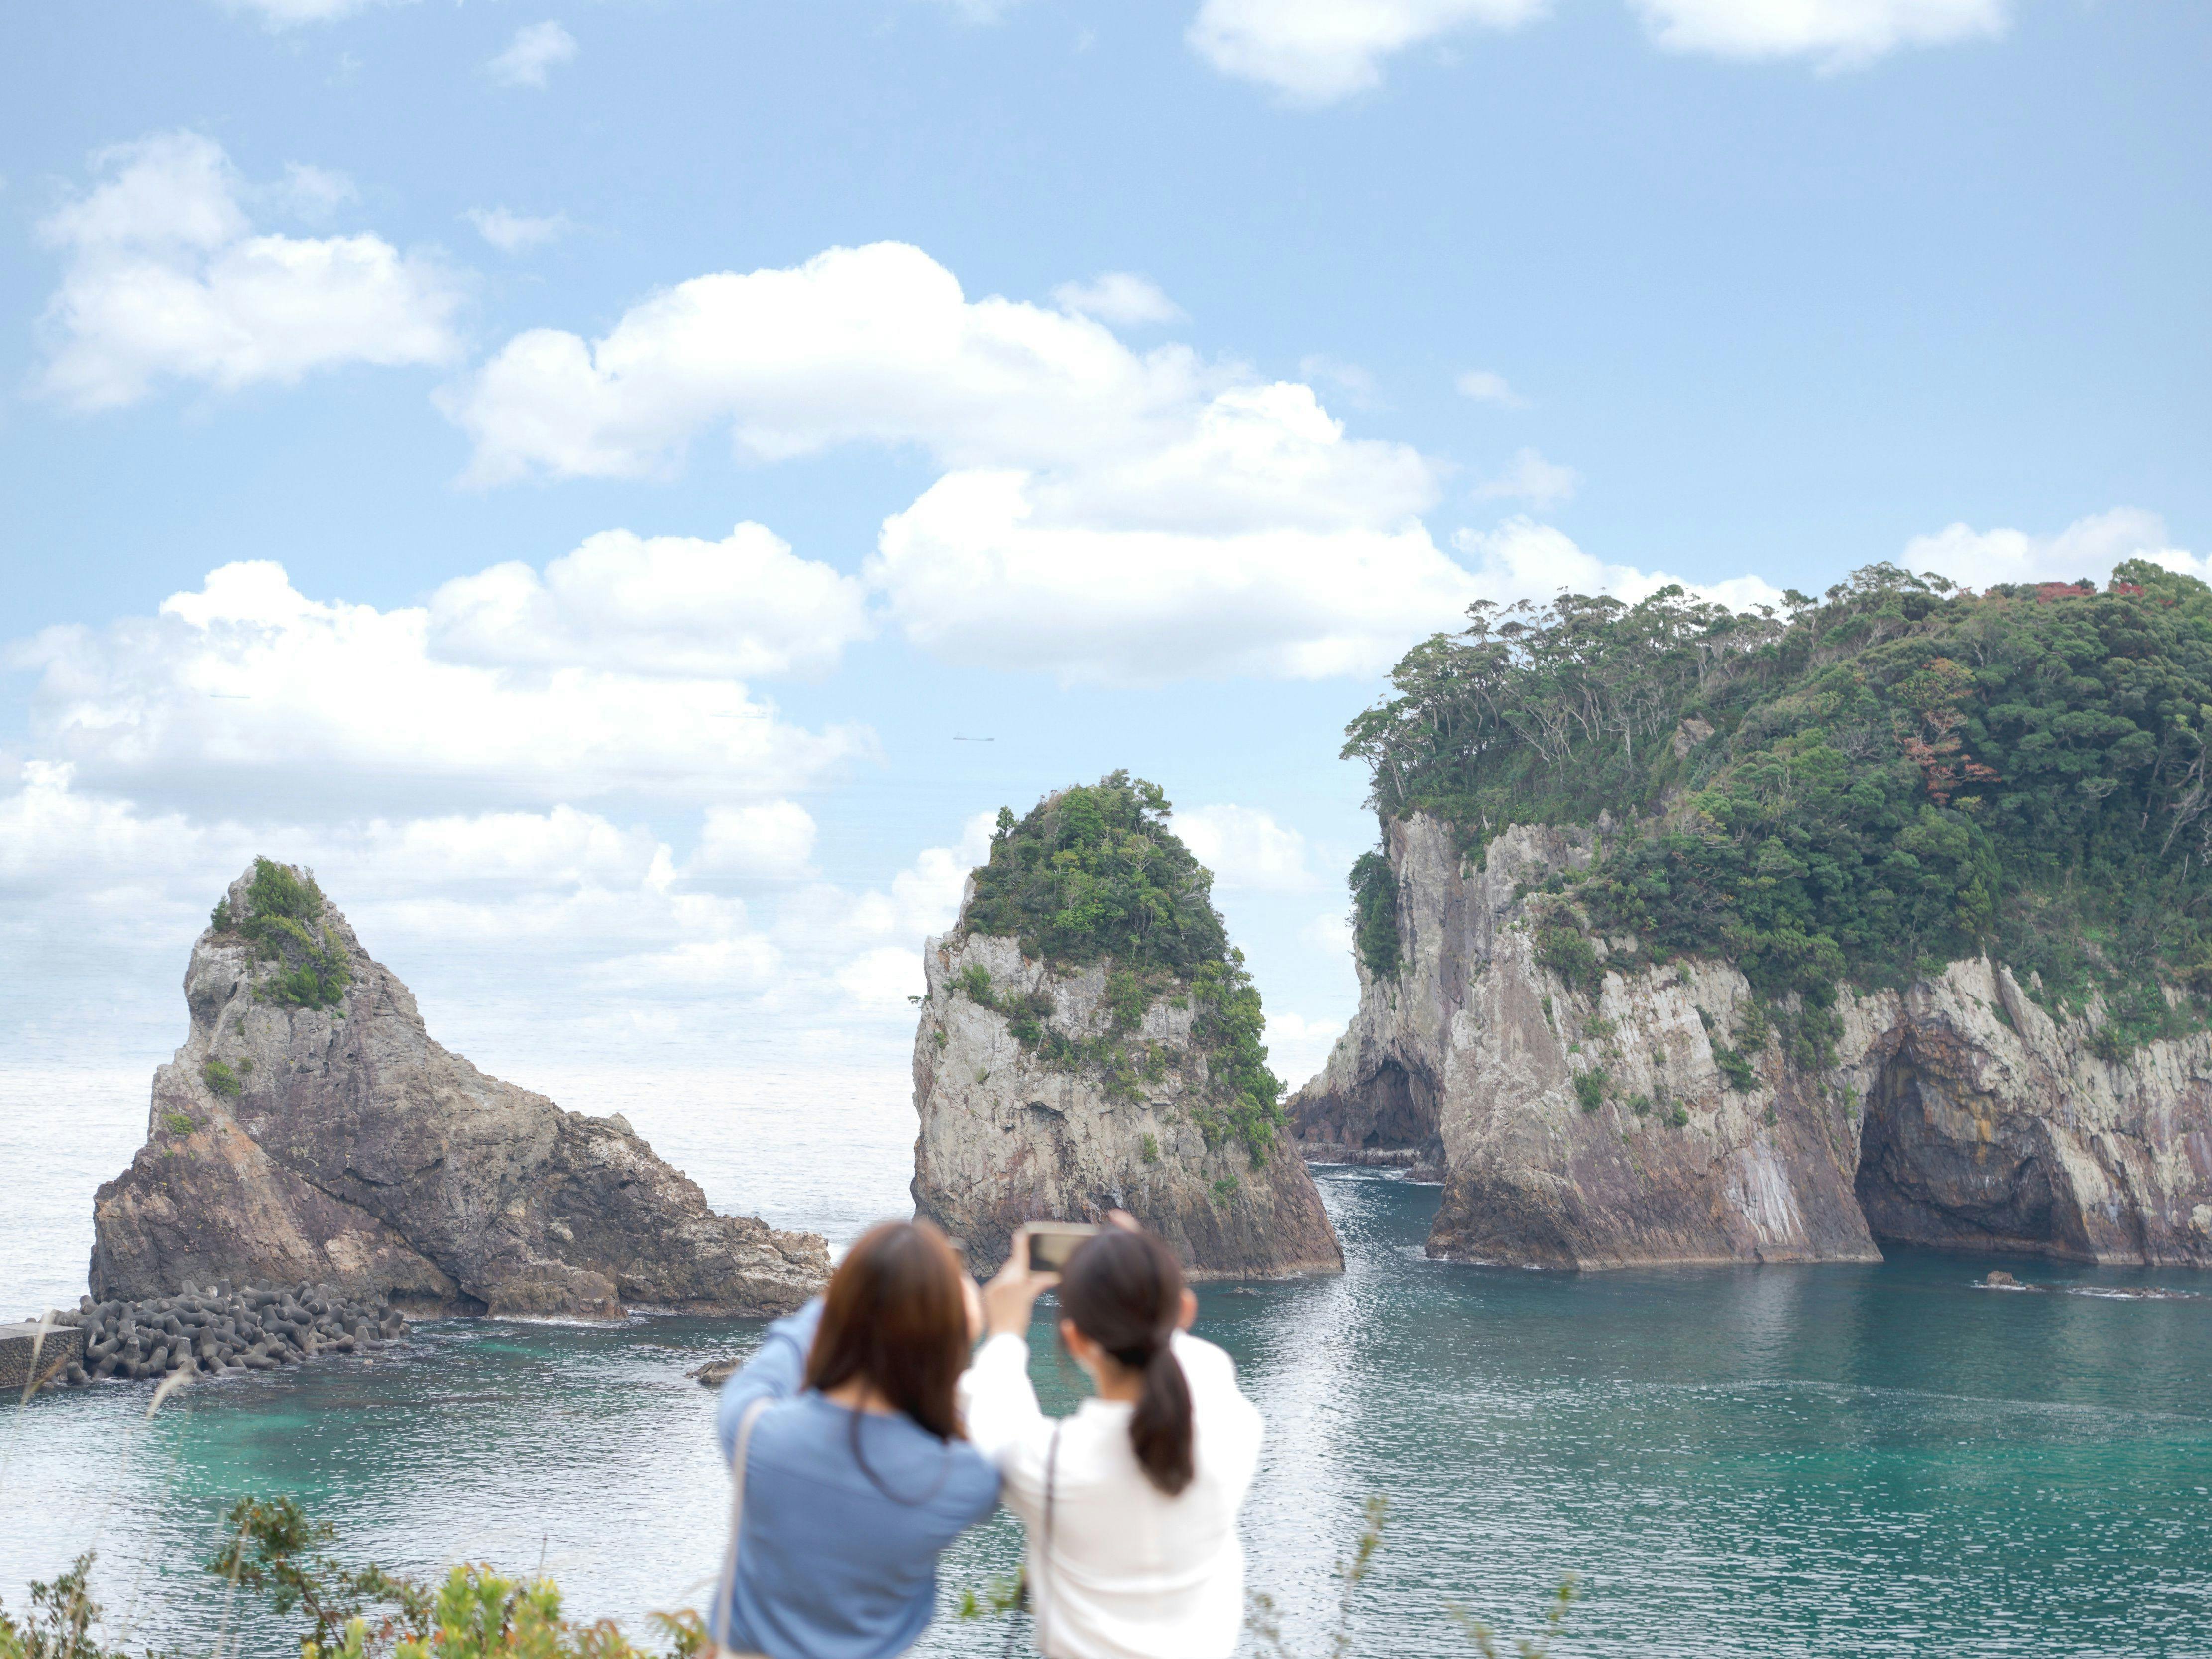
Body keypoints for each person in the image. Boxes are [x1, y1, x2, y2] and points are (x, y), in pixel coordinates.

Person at [961, 1217, 1265, 1659]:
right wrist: (1141, 1277)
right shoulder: (1233, 1430)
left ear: (1076, 1341)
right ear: (1183, 1312)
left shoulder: (1048, 1467)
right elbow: (1197, 1361)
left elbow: (992, 1410)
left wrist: (1005, 1329)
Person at [712, 1219, 1001, 1659]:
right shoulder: (961, 1481)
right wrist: (983, 1334)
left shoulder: (755, 1434)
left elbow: (783, 1352)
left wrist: (855, 1294)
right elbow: (997, 1429)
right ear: (951, 1338)